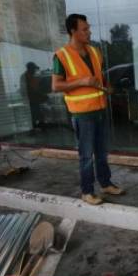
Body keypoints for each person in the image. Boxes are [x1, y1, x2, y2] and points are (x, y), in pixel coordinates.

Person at [51, 13, 124, 205]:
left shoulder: (95, 52)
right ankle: (87, 191)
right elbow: (56, 86)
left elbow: (99, 77)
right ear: (73, 31)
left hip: (99, 109)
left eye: (88, 28)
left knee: (102, 152)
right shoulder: (61, 55)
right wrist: (82, 81)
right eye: (84, 29)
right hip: (82, 114)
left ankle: (105, 183)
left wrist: (107, 87)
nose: (88, 31)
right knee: (86, 155)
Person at [20, 62, 46, 129]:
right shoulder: (25, 77)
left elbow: (36, 87)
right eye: (34, 69)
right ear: (30, 69)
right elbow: (29, 89)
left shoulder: (32, 76)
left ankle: (40, 127)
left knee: (38, 114)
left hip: (35, 99)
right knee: (34, 115)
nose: (35, 70)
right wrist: (41, 95)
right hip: (30, 100)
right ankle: (35, 128)